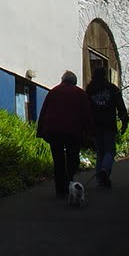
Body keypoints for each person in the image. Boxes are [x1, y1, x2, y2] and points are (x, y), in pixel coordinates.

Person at [36, 71, 93, 199]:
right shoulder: (80, 93)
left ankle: (60, 190)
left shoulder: (53, 92)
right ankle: (69, 180)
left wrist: (40, 131)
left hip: (53, 131)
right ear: (74, 81)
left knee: (58, 160)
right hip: (73, 132)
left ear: (63, 80)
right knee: (73, 158)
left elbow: (43, 111)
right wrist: (89, 133)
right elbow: (86, 115)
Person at [85, 66, 129, 188]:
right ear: (105, 75)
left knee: (100, 152)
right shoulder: (112, 89)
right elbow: (120, 106)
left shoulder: (90, 90)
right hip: (109, 124)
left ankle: (100, 179)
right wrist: (124, 121)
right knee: (110, 151)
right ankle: (105, 170)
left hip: (95, 125)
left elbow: (85, 108)